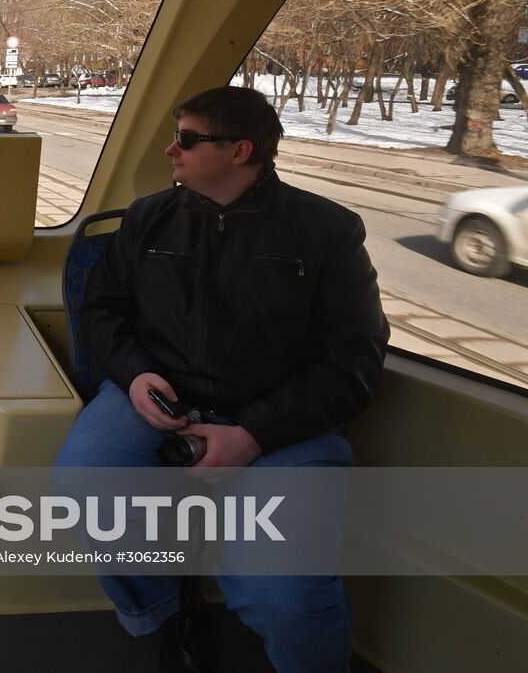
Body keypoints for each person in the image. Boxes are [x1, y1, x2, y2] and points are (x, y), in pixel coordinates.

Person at [54, 86, 389, 672]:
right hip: (156, 400)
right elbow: (101, 311)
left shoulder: (327, 232)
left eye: (186, 139)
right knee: (83, 491)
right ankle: (162, 605)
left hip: (283, 420)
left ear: (240, 150)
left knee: (285, 592)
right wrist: (133, 377)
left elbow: (354, 364)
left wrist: (255, 433)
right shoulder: (148, 219)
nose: (170, 150)